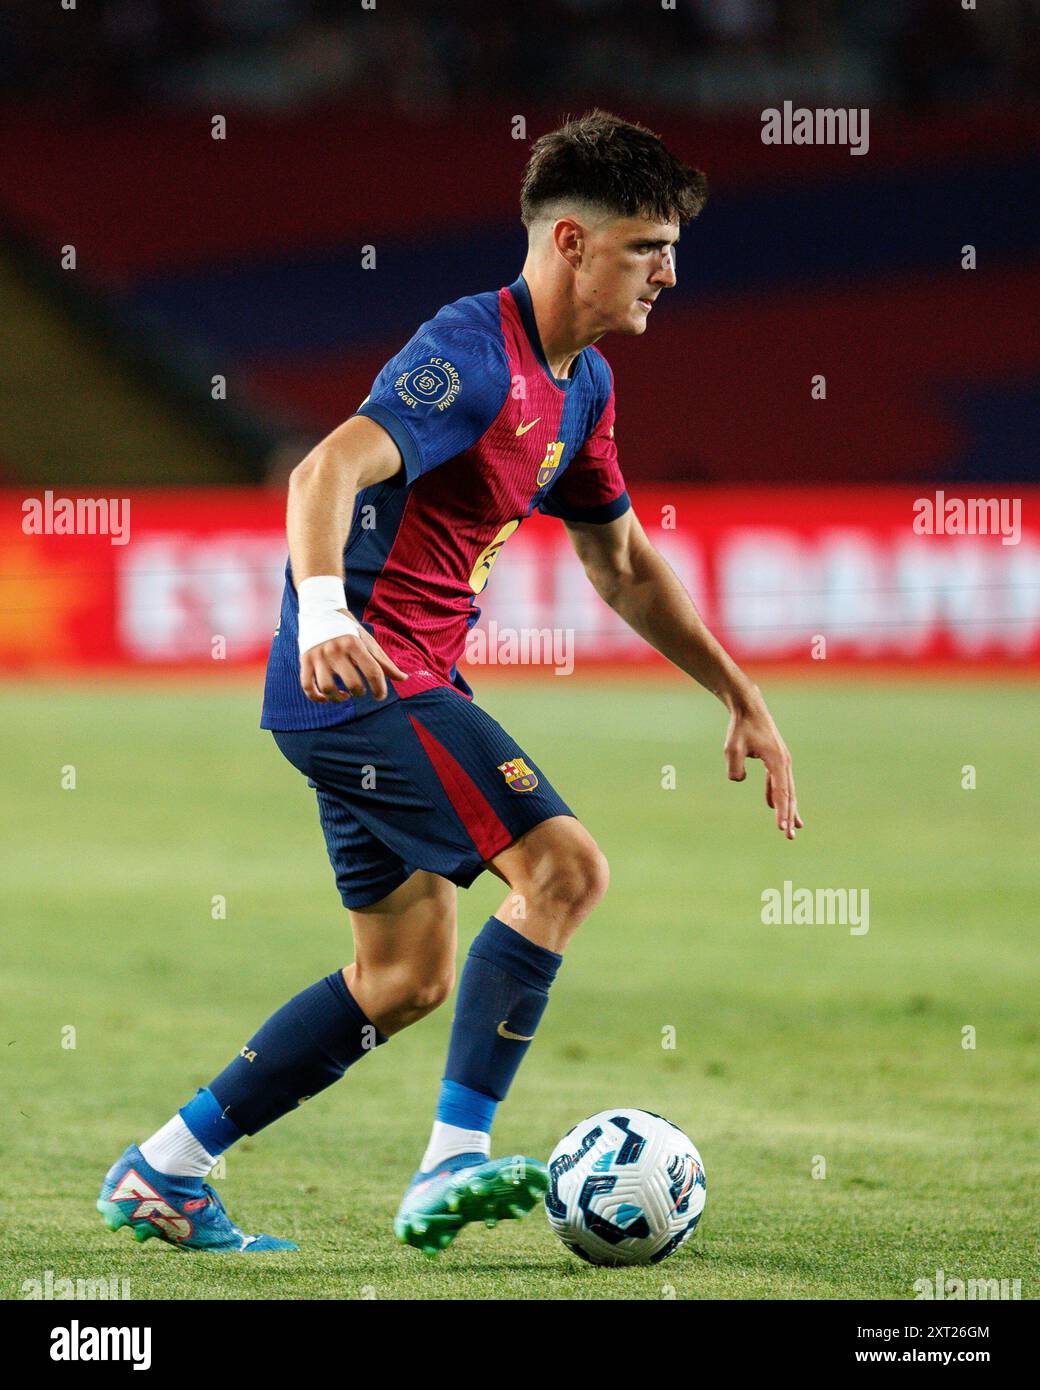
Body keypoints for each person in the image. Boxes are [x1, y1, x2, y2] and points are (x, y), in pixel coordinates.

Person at [98, 109, 802, 1256]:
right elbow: (325, 466)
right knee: (564, 867)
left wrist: (739, 693)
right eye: (646, 246)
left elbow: (617, 561)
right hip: (362, 675)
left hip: (402, 681)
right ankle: (450, 1163)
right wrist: (325, 610)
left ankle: (166, 1168)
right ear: (569, 242)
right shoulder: (472, 350)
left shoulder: (580, 390)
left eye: (672, 247)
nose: (670, 271)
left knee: (403, 976)